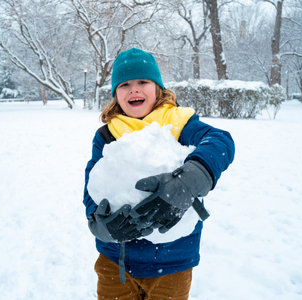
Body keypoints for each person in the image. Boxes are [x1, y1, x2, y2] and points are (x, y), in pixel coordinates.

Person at [83, 48, 235, 300]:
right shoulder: (107, 135)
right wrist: (100, 225)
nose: (134, 89)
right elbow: (92, 184)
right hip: (115, 261)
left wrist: (189, 181)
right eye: (125, 84)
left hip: (172, 261)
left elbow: (221, 142)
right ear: (115, 94)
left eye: (143, 82)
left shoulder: (179, 123)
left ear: (158, 88)